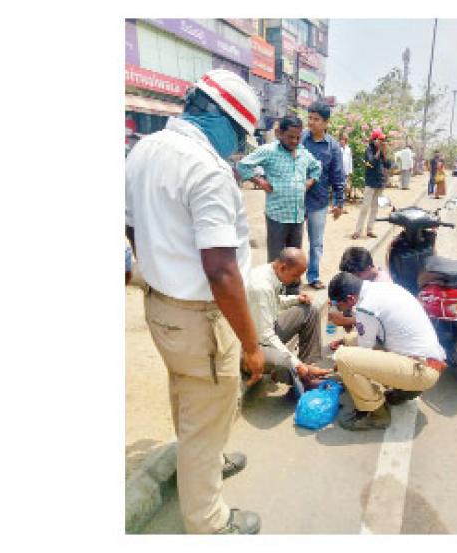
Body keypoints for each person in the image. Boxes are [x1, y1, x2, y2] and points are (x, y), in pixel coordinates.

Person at [125, 68, 264, 535]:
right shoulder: (206, 168)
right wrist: (250, 343)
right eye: (241, 136)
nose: (239, 147)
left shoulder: (144, 150)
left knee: (187, 393)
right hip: (201, 315)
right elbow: (222, 270)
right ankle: (208, 523)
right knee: (210, 401)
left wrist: (159, 266)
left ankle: (206, 462)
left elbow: (131, 227)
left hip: (162, 305)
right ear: (225, 120)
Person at [326, 272, 447, 430]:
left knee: (344, 358)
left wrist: (340, 369)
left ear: (350, 299)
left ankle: (377, 415)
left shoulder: (365, 307)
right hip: (428, 359)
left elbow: (364, 351)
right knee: (350, 341)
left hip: (422, 370)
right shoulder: (383, 288)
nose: (337, 308)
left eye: (338, 304)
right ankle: (403, 391)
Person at [236, 115, 322, 281]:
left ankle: (292, 292)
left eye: (298, 137)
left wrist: (309, 182)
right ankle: (273, 291)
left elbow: (316, 168)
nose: (295, 141)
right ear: (279, 133)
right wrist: (260, 181)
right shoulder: (269, 151)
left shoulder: (303, 153)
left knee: (295, 258)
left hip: (297, 216)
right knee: (276, 259)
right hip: (277, 215)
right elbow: (243, 166)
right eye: (290, 137)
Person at [246, 247, 332, 394]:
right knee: (288, 363)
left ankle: (310, 367)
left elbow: (274, 303)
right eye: (295, 275)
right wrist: (297, 364)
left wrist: (296, 299)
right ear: (283, 267)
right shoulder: (261, 287)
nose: (297, 280)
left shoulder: (271, 272)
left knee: (310, 309)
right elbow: (266, 336)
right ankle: (302, 374)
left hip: (266, 329)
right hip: (252, 346)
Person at [300, 102, 346, 290]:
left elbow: (337, 175)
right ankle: (291, 278)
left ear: (326, 122)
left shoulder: (333, 147)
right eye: (309, 118)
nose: (311, 122)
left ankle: (313, 276)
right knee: (294, 242)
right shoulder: (300, 139)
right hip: (296, 200)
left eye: (316, 119)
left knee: (316, 243)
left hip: (318, 201)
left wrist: (338, 202)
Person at [328, 246, 392, 331]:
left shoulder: (383, 286)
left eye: (356, 276)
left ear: (368, 269)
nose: (353, 281)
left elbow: (374, 322)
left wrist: (345, 321)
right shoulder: (359, 286)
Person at [352, 129, 392, 240]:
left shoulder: (383, 151)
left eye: (383, 140)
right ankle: (357, 231)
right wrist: (378, 151)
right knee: (365, 207)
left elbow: (388, 165)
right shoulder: (368, 150)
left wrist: (384, 152)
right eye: (380, 139)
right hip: (370, 183)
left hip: (380, 183)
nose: (383, 141)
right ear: (374, 140)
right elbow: (371, 163)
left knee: (375, 208)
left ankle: (370, 230)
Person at [340, 131, 354, 200]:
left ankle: (343, 203)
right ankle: (340, 204)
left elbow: (350, 161)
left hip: (346, 172)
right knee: (340, 188)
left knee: (346, 187)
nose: (342, 141)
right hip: (339, 172)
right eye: (341, 139)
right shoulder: (338, 149)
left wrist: (350, 172)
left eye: (344, 139)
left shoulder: (349, 149)